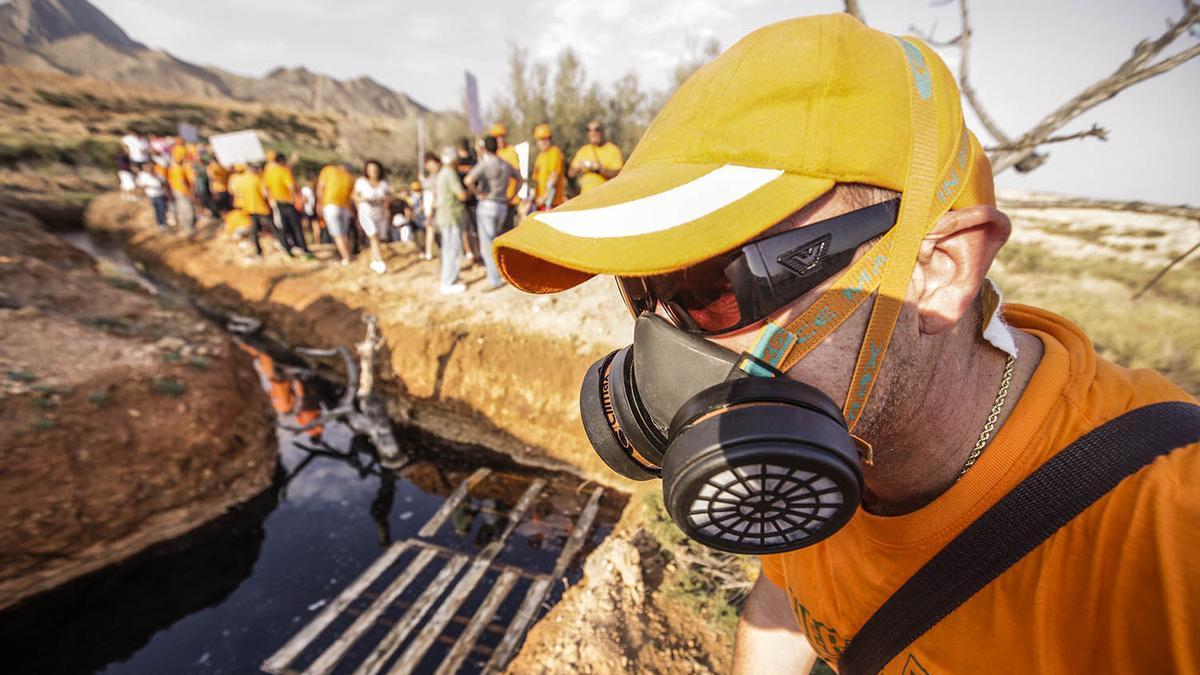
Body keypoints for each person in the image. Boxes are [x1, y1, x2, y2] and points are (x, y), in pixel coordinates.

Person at [491, 15, 1199, 675]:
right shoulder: (824, 442)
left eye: (713, 288)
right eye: (645, 291)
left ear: (937, 271)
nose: (663, 343)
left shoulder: (1165, 544)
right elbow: (788, 602)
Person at [465, 135, 522, 291]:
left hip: (487, 205)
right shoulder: (504, 164)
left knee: (487, 245)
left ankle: (495, 279)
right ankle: (503, 273)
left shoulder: (485, 164)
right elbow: (520, 179)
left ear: (484, 148)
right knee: (497, 241)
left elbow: (468, 180)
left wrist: (477, 193)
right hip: (502, 205)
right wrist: (512, 196)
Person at [429, 149, 467, 294]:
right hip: (451, 217)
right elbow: (461, 195)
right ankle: (448, 282)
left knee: (448, 249)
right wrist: (471, 190)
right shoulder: (449, 173)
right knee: (453, 250)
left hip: (445, 216)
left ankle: (450, 279)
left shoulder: (442, 174)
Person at [263, 151, 311, 257]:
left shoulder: (269, 172)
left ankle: (288, 250)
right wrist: (297, 198)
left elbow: (265, 189)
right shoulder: (284, 171)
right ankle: (304, 250)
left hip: (277, 203)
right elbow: (291, 186)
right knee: (296, 227)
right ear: (283, 161)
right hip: (288, 202)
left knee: (283, 227)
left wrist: (271, 199)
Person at [234, 163, 282, 258]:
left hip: (249, 208)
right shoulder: (258, 179)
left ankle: (258, 251)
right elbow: (265, 193)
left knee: (254, 229)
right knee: (272, 226)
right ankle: (280, 244)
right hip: (262, 207)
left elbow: (238, 194)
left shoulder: (241, 180)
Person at [353, 159, 391, 274]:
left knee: (377, 237)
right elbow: (354, 196)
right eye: (371, 169)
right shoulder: (361, 182)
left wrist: (386, 207)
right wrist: (361, 201)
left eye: (375, 169)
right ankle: (380, 261)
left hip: (379, 213)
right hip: (366, 213)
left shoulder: (383, 184)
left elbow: (387, 199)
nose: (373, 172)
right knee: (373, 235)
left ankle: (374, 261)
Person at [568, 119, 623, 194]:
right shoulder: (583, 150)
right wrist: (578, 167)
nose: (593, 133)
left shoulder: (613, 150)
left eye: (596, 129)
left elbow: (619, 174)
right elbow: (571, 173)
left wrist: (599, 169)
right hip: (585, 197)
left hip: (606, 196)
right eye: (589, 130)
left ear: (602, 132)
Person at [317, 161, 356, 265]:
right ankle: (349, 255)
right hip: (345, 208)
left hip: (330, 206)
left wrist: (319, 204)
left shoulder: (328, 170)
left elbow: (320, 188)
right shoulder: (351, 178)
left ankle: (346, 258)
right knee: (344, 233)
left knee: (338, 234)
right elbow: (351, 198)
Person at [490, 122, 522, 234]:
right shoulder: (493, 153)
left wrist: (512, 196)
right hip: (496, 201)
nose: (499, 140)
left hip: (509, 201)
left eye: (501, 136)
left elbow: (518, 176)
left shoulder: (511, 151)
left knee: (507, 233)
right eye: (496, 137)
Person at [454, 137, 482, 266]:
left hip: (462, 201)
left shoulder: (456, 164)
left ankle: (470, 253)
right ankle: (479, 253)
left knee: (466, 230)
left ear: (458, 148)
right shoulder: (474, 160)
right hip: (475, 199)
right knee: (477, 229)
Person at [528, 123, 564, 213]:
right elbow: (535, 180)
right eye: (540, 139)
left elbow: (554, 176)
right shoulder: (540, 156)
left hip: (551, 204)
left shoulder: (554, 152)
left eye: (546, 139)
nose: (543, 142)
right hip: (539, 204)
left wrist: (544, 197)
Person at [165, 156, 197, 233]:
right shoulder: (179, 169)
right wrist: (188, 192)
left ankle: (184, 226)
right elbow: (182, 181)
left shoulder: (171, 170)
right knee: (188, 209)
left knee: (181, 209)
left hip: (176, 191)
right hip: (183, 191)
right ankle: (189, 228)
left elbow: (169, 182)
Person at [135, 162, 168, 230]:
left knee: (161, 209)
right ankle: (160, 224)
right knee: (157, 210)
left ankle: (163, 223)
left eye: (150, 167)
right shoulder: (143, 175)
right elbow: (139, 184)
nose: (149, 169)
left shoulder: (158, 174)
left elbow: (163, 183)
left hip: (160, 195)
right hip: (151, 195)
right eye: (147, 167)